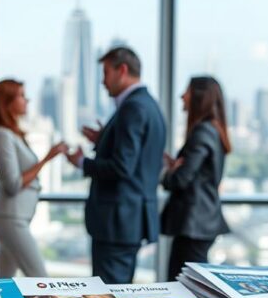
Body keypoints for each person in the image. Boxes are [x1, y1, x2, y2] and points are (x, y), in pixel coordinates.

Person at [67, 47, 166, 284]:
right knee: (117, 293)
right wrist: (103, 139)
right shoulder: (148, 105)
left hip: (117, 222)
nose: (102, 81)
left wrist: (82, 162)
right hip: (127, 220)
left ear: (122, 70)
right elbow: (136, 157)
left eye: (106, 72)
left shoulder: (132, 108)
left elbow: (122, 167)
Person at [0, 79, 67, 277]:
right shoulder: (2, 135)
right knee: (40, 279)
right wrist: (47, 157)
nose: (27, 100)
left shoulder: (12, 133)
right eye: (21, 95)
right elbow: (12, 184)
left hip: (14, 217)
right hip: (10, 218)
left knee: (2, 283)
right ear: (7, 102)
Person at [161, 76, 231, 282]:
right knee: (189, 285)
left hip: (194, 225)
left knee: (182, 287)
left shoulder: (201, 132)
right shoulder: (214, 130)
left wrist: (169, 174)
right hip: (201, 223)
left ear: (200, 97)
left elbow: (180, 180)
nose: (182, 96)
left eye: (188, 91)